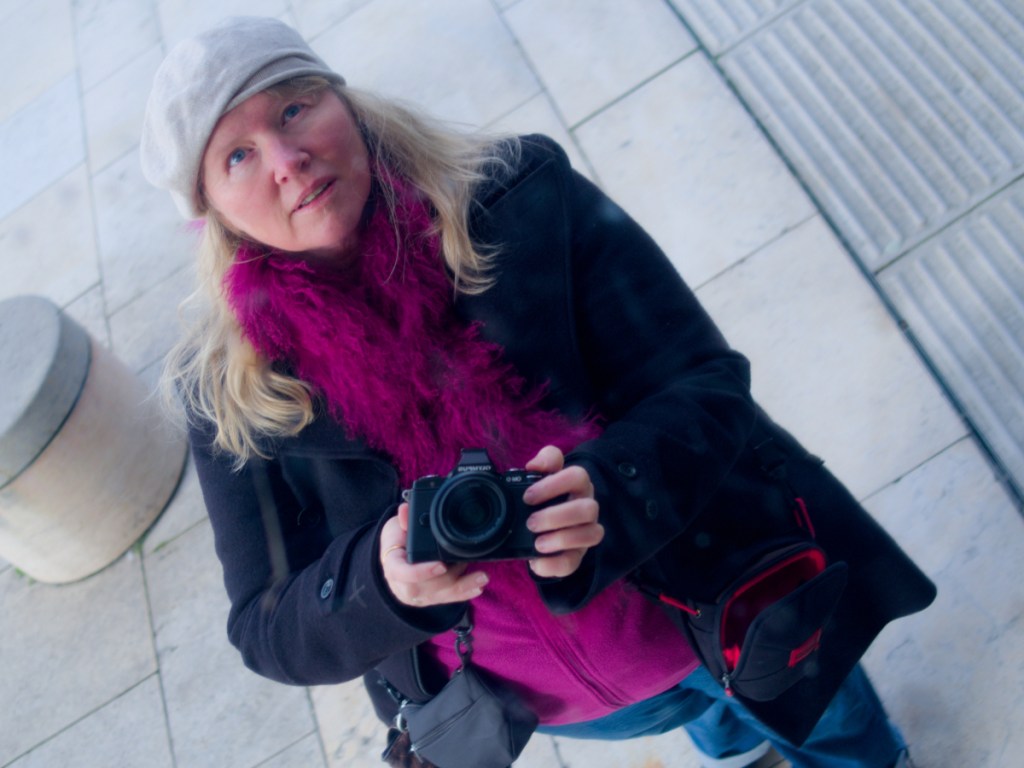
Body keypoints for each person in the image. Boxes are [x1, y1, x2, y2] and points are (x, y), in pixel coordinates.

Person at [141, 16, 935, 768]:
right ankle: (734, 739)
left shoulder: (522, 201)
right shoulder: (227, 395)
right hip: (557, 704)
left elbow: (708, 384)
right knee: (714, 714)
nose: (286, 158)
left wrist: (605, 491)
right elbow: (265, 626)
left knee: (827, 717)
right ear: (210, 210)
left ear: (340, 99)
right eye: (237, 156)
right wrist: (378, 583)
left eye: (294, 106)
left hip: (727, 594)